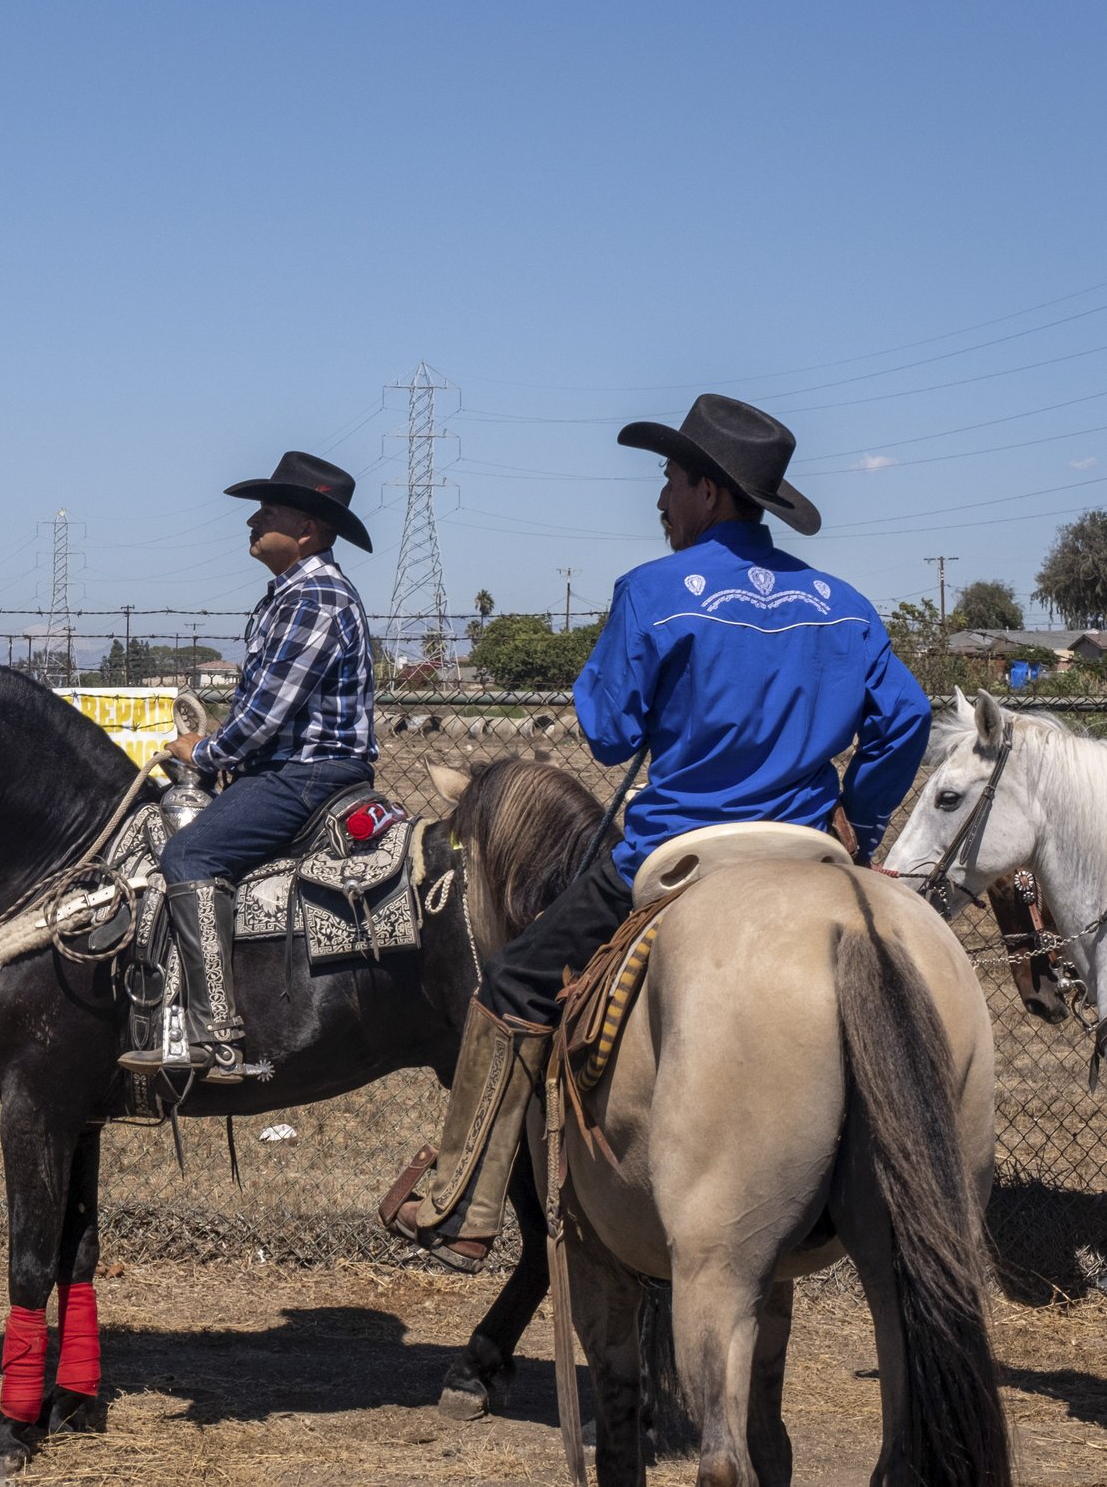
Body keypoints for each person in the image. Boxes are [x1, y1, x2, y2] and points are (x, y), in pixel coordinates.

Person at [380, 393, 931, 1269]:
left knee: (514, 981)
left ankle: (461, 1202)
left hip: (678, 856)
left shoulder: (654, 590)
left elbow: (607, 731)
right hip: (807, 851)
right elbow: (907, 717)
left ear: (710, 491)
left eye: (671, 479)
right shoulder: (844, 602)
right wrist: (859, 816)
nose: (662, 499)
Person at [119, 451, 378, 1083]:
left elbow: (265, 715)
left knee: (190, 857)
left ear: (309, 530)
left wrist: (203, 753)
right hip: (290, 770)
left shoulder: (315, 596)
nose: (254, 520)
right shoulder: (289, 595)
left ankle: (213, 1039)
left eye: (269, 510)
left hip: (310, 773)